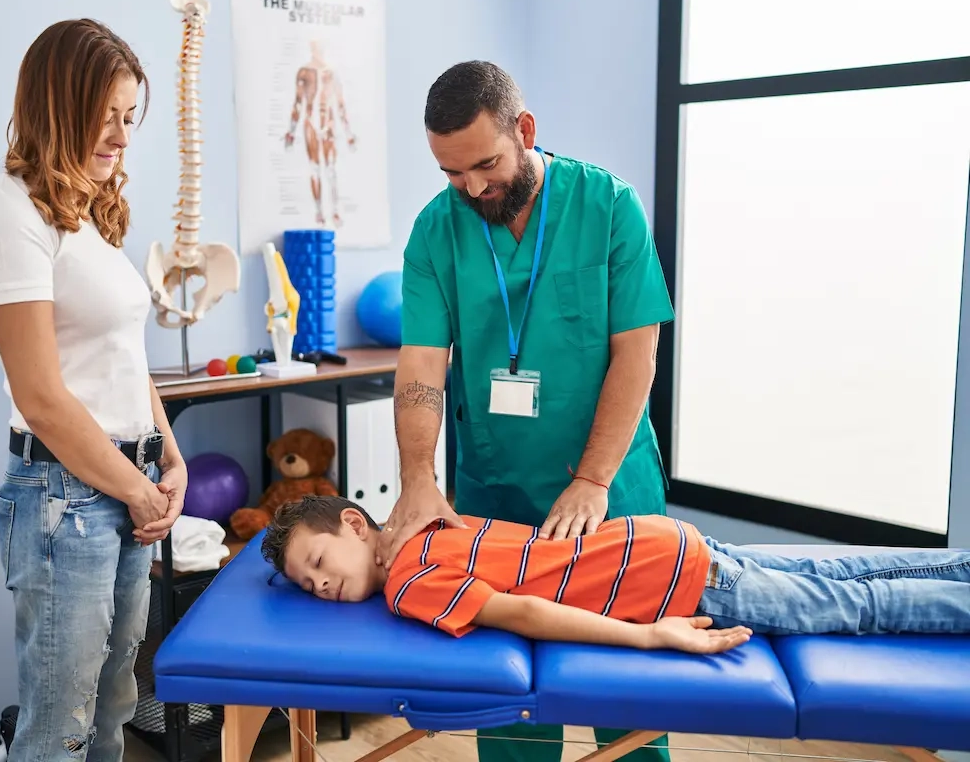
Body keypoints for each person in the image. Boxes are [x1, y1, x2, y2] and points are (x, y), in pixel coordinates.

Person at [380, 59, 676, 761]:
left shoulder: (608, 207)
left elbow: (638, 354)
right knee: (509, 704)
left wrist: (595, 479)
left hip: (612, 488)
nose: (473, 188)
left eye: (485, 164)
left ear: (526, 130)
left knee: (625, 693)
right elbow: (423, 364)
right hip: (496, 488)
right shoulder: (436, 231)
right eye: (452, 174)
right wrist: (419, 477)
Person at [0, 19, 187, 762]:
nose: (122, 137)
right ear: (60, 103)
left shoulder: (88, 213)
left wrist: (170, 456)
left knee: (116, 707)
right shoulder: (9, 211)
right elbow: (43, 398)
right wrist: (137, 488)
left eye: (131, 118)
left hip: (124, 483)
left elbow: (126, 358)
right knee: (59, 727)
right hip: (67, 497)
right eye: (108, 115)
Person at [265, 496, 970, 645]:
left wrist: (653, 636)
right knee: (835, 572)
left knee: (852, 610)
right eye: (307, 585)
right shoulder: (430, 515)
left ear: (355, 525)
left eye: (319, 563)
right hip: (653, 537)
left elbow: (527, 614)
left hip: (674, 585)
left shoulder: (410, 586)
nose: (321, 586)